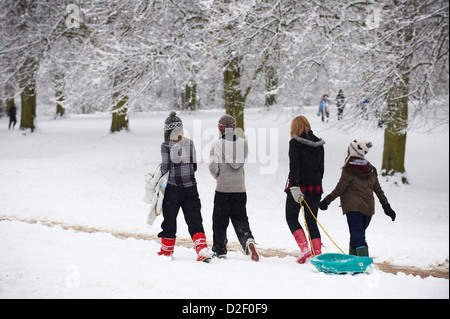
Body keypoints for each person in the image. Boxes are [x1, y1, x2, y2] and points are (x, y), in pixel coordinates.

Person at [318, 139, 396, 257]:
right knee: (356, 236)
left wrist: (326, 201)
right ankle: (353, 262)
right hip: (368, 210)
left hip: (353, 209)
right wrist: (386, 206)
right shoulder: (371, 169)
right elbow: (378, 190)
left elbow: (340, 188)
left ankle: (363, 264)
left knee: (358, 237)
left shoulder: (349, 169)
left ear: (352, 152)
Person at [157, 111, 211, 262]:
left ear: (167, 130)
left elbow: (165, 167)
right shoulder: (190, 143)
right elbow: (194, 166)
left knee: (169, 218)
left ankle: (166, 251)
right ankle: (202, 250)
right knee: (194, 219)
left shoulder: (165, 145)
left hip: (173, 189)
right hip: (191, 188)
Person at [209, 115, 259, 261]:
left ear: (220, 128)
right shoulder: (244, 143)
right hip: (240, 189)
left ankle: (220, 250)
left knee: (219, 221)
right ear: (234, 127)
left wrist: (217, 175)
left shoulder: (216, 145)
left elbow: (213, 166)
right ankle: (248, 240)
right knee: (241, 219)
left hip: (223, 189)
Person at [285, 116, 325, 263]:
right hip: (315, 188)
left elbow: (294, 166)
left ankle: (304, 248)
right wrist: (317, 184)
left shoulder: (295, 143)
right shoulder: (319, 144)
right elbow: (321, 168)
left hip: (299, 187)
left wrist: (294, 185)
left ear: (294, 127)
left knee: (291, 217)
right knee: (311, 221)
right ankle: (317, 252)